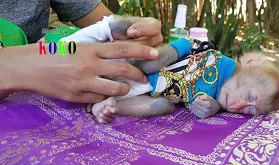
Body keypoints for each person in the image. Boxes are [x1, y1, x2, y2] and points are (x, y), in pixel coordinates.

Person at [0, 1, 163, 103]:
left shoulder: (56, 43)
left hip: (49, 44)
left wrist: (134, 30)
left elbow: (104, 23)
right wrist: (24, 65)